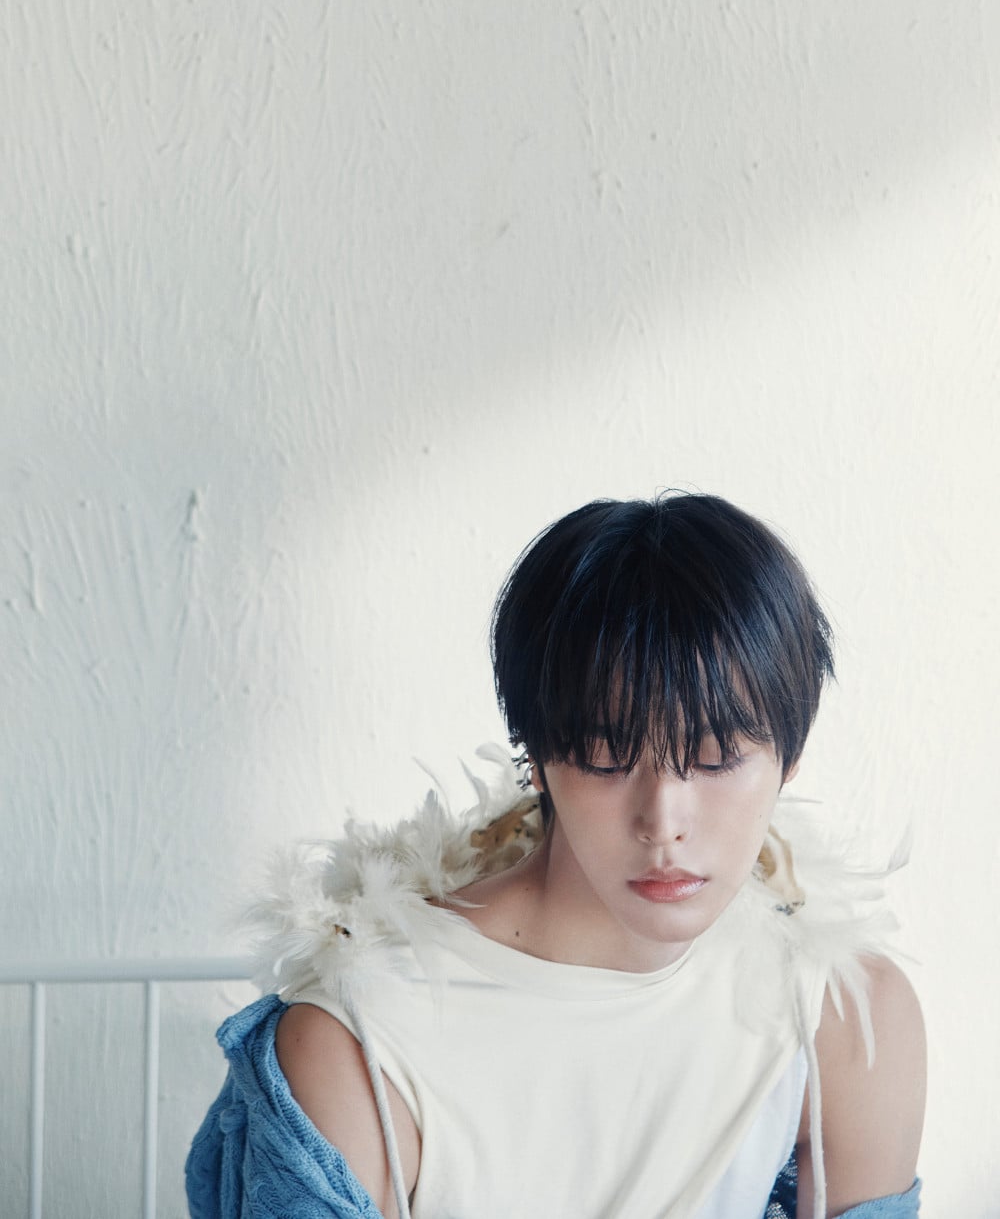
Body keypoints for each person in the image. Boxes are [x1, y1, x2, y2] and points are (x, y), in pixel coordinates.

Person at [186, 493, 926, 1219]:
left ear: (789, 757)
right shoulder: (363, 1039)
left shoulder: (845, 1015)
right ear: (537, 758)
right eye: (608, 758)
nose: (663, 822)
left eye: (717, 757)